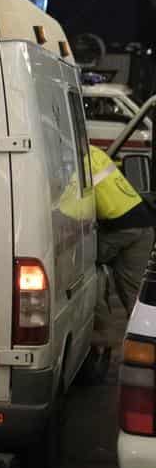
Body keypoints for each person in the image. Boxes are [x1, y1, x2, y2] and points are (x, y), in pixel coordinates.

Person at [88, 145, 156, 364]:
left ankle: (101, 336)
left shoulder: (72, 160)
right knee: (137, 295)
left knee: (84, 262)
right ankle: (146, 350)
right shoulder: (94, 151)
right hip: (143, 224)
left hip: (121, 228)